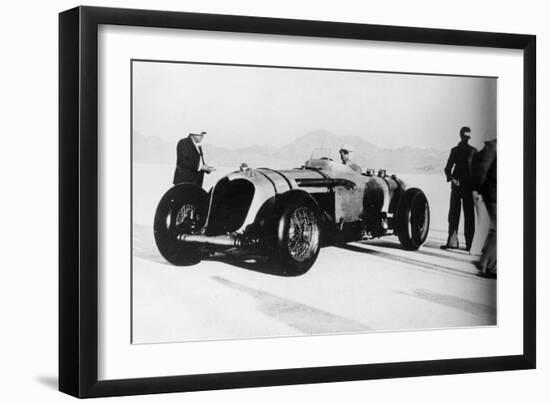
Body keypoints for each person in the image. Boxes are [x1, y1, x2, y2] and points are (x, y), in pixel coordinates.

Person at [441, 126, 477, 251]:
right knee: (454, 215)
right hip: (458, 188)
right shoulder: (456, 151)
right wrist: (452, 179)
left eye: (467, 136)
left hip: (467, 188)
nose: (466, 138)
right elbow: (447, 169)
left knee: (468, 216)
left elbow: (477, 172)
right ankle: (454, 243)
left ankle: (469, 244)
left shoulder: (473, 151)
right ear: (461, 136)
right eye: (465, 136)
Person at [472, 138, 497, 276]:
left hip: (494, 193)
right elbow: (482, 171)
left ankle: (485, 262)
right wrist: (477, 190)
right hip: (492, 194)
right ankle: (488, 266)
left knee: (495, 229)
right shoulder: (492, 148)